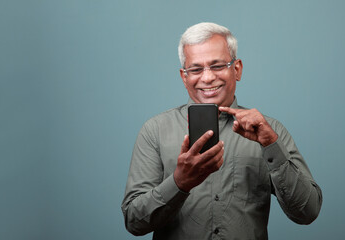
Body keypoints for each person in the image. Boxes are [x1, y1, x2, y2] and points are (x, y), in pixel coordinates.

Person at [121, 22, 322, 240]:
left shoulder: (270, 131)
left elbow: (307, 212)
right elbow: (134, 221)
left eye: (217, 66)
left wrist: (270, 144)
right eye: (196, 69)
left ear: (237, 69)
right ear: (184, 77)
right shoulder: (155, 131)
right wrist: (179, 183)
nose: (207, 78)